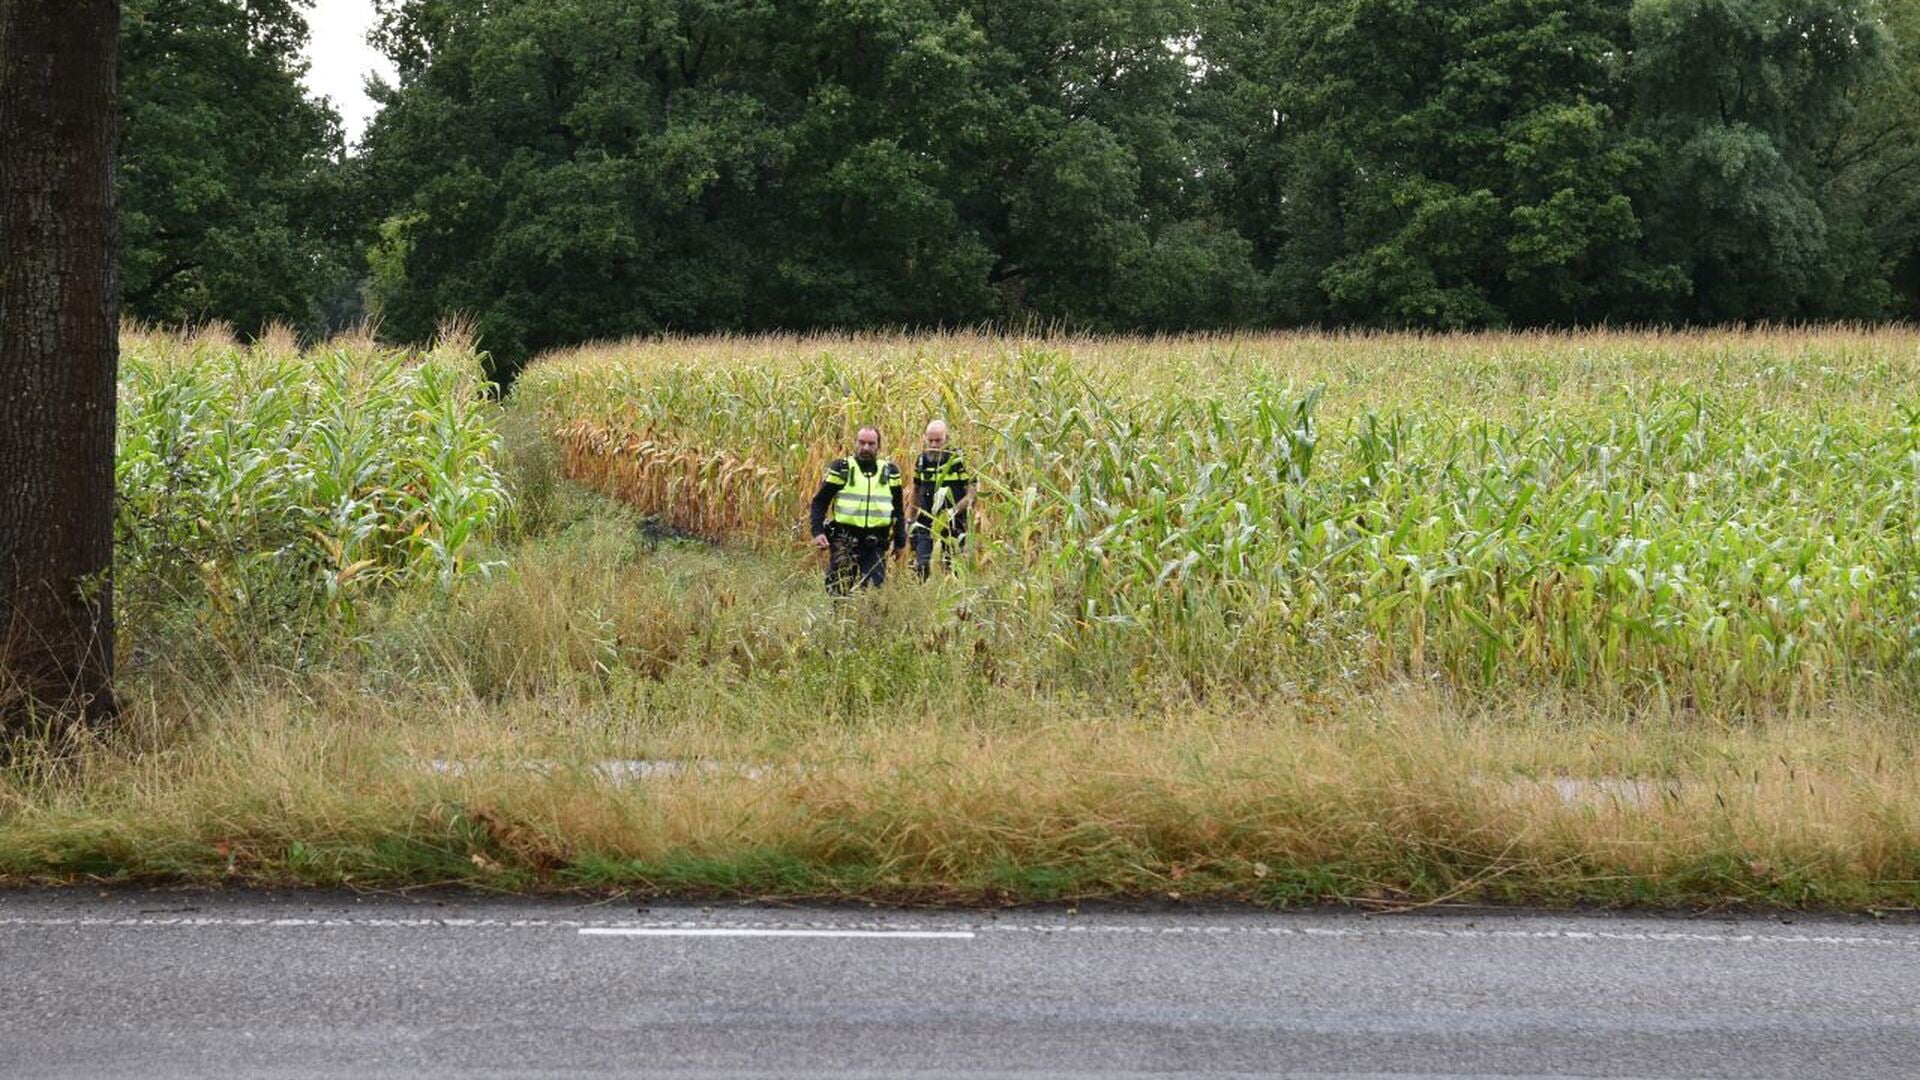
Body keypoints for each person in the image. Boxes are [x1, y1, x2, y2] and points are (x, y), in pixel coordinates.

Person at [808, 425, 906, 595]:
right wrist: (818, 532)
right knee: (839, 591)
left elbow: (897, 510)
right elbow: (819, 502)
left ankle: (867, 621)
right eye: (862, 443)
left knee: (872, 592)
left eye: (871, 444)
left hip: (875, 542)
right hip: (844, 540)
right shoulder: (842, 469)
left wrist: (900, 542)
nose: (866, 448)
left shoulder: (890, 473)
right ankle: (839, 621)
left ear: (879, 446)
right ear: (855, 443)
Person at [909, 418, 973, 580]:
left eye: (938, 440)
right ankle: (920, 599)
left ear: (948, 439)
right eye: (930, 440)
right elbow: (916, 490)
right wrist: (910, 519)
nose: (934, 445)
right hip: (926, 522)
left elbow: (971, 494)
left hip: (954, 523)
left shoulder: (959, 460)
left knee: (951, 568)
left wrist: (951, 512)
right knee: (921, 566)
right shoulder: (922, 460)